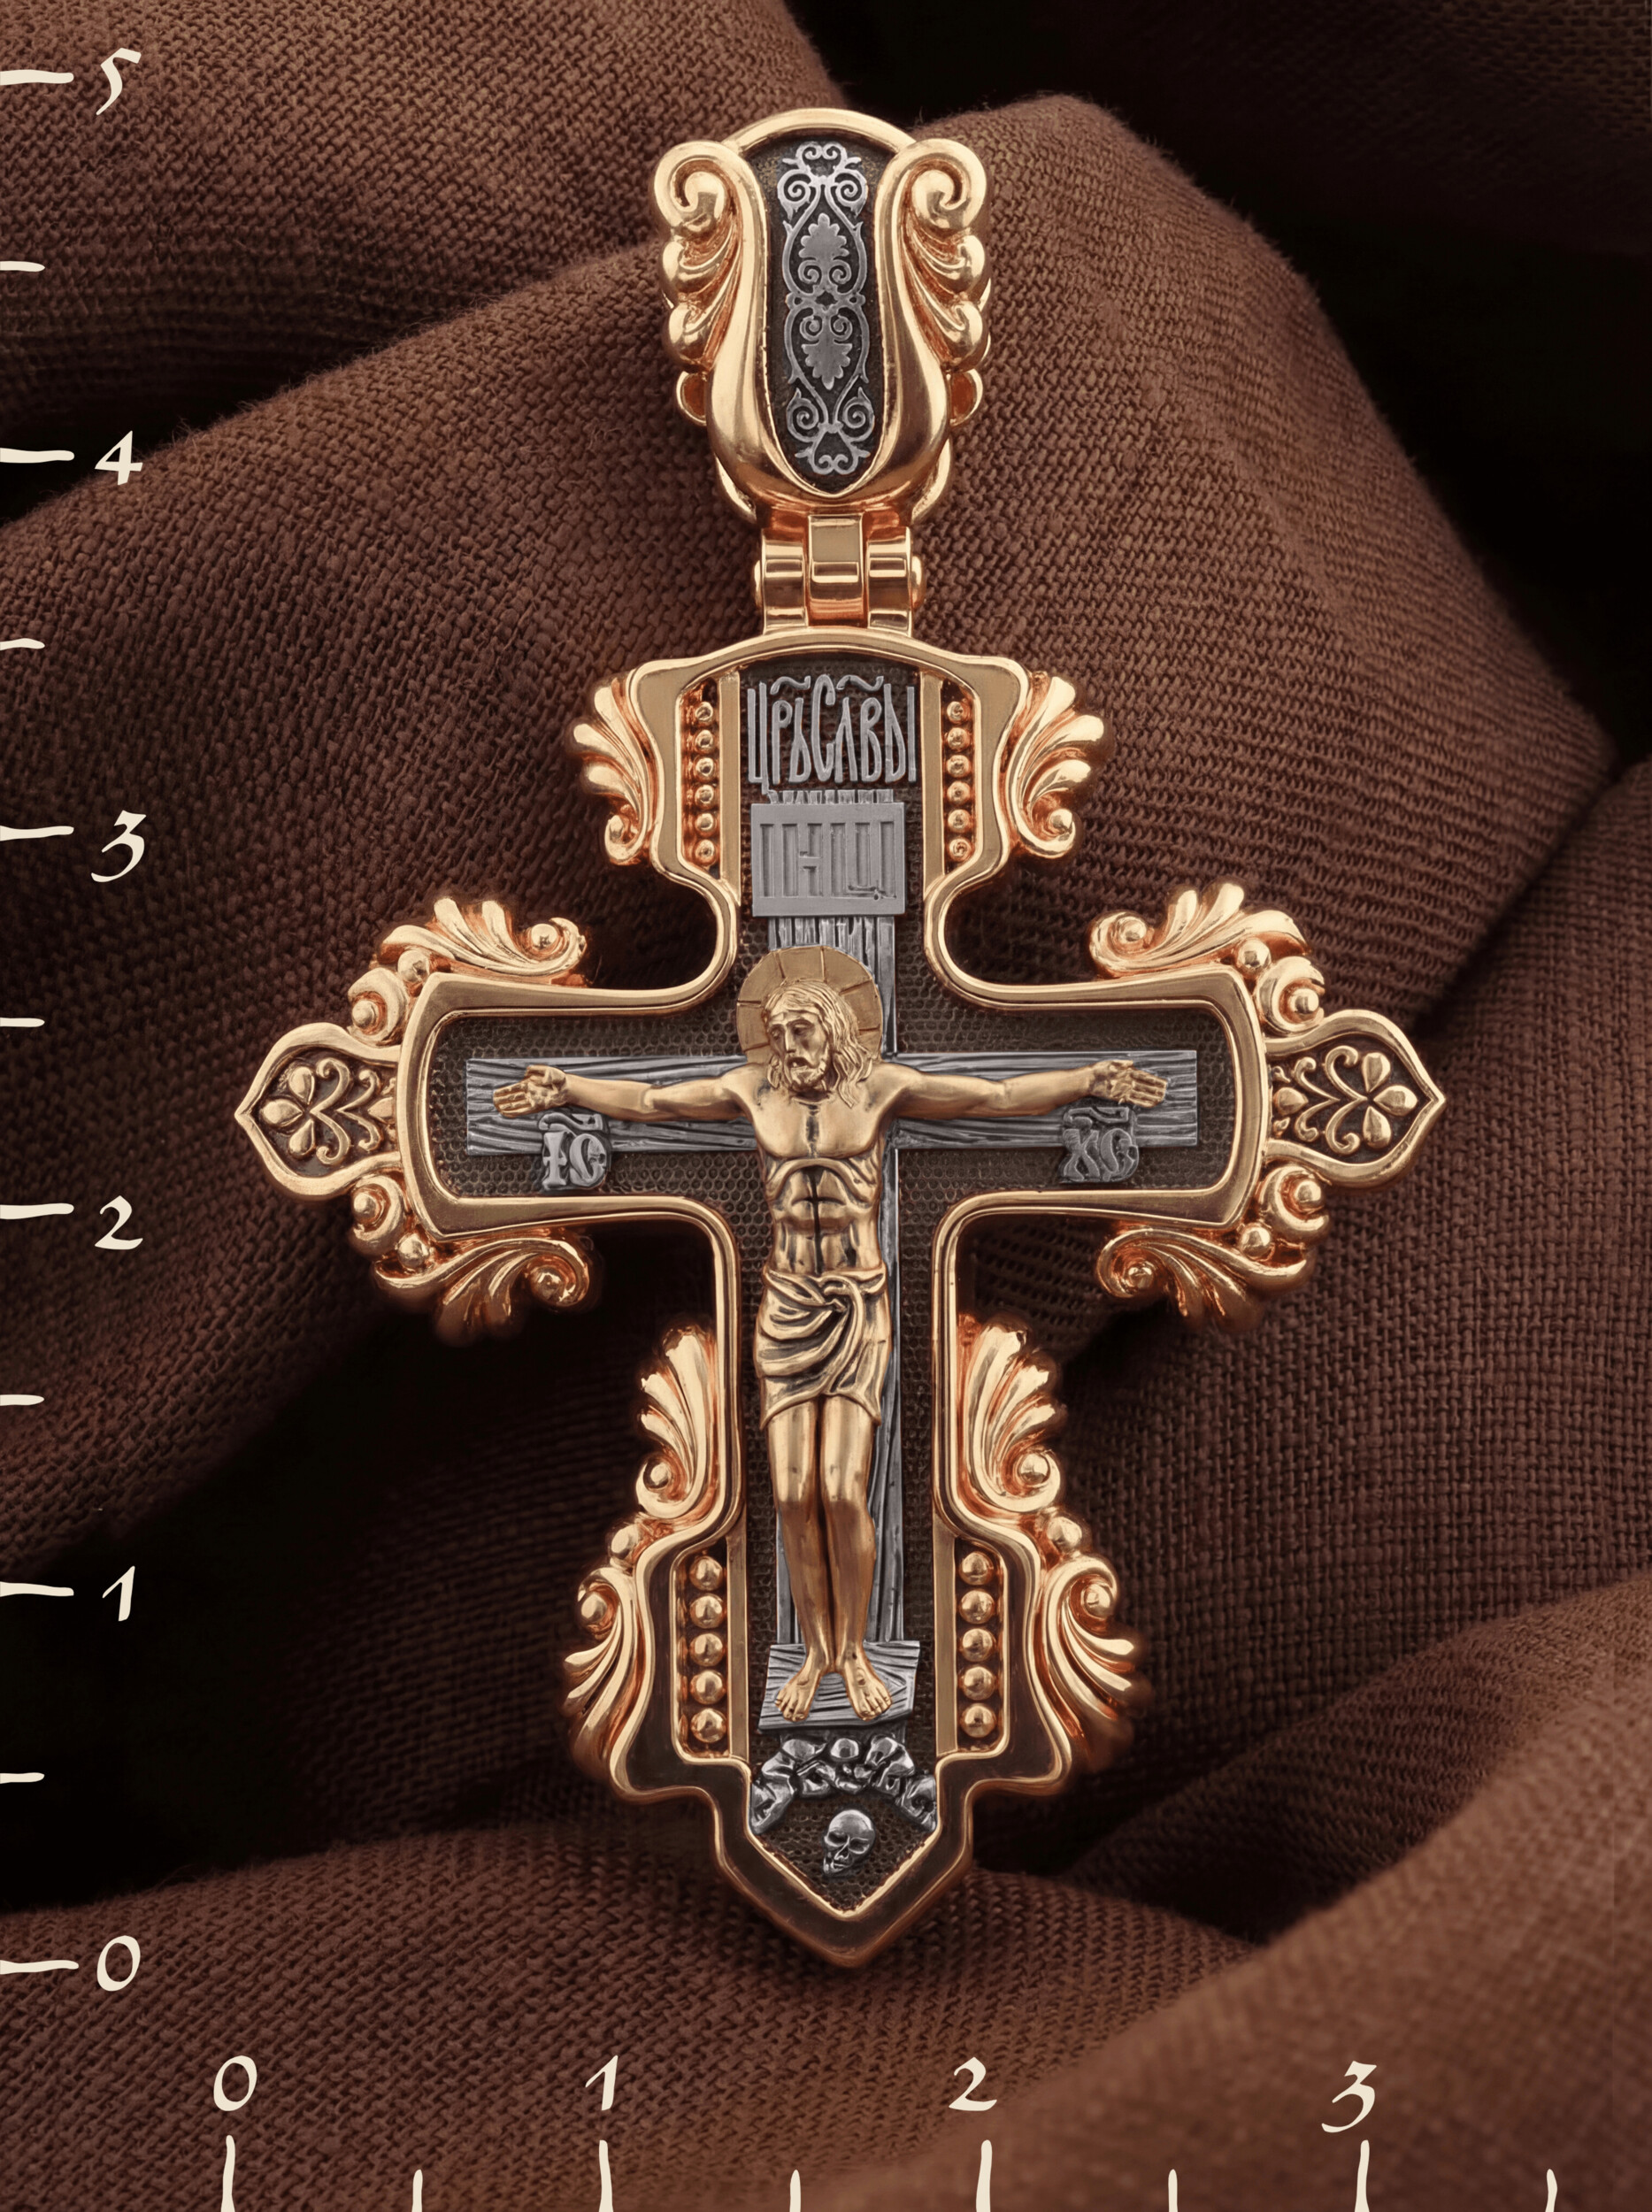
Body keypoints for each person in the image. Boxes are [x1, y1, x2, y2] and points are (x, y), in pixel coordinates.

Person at [495, 973, 1165, 1720]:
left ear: (833, 1029)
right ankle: (817, 1653)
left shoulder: (879, 1090)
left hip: (855, 1307)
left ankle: (854, 1652)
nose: (789, 1047)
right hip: (786, 1307)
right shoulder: (752, 1091)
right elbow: (653, 1102)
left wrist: (1086, 1079)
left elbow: (995, 1096)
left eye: (802, 1031)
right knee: (791, 1494)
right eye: (777, 1035)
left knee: (842, 1490)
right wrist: (570, 1088)